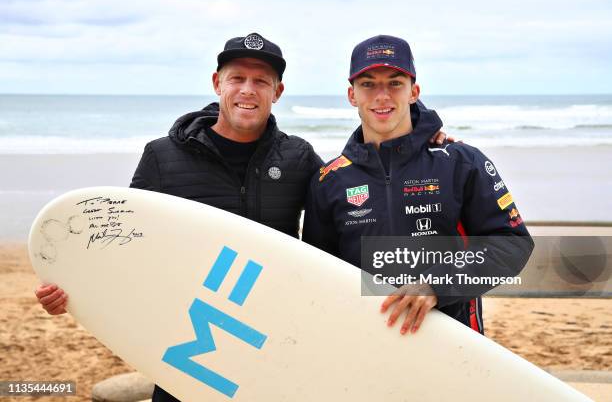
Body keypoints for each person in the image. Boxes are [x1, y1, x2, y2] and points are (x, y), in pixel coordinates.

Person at [34, 33, 451, 401]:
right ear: (218, 83)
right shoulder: (162, 156)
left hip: (266, 341)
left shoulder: (298, 157)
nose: (248, 90)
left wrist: (419, 138)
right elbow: (121, 243)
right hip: (184, 342)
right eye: (237, 78)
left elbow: (353, 194)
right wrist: (77, 287)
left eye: (261, 81)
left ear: (278, 91)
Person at [303, 34, 534, 336]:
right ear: (352, 95)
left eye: (395, 83)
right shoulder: (330, 180)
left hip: (452, 342)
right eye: (368, 84)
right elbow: (317, 273)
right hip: (364, 344)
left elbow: (512, 244)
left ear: (414, 92)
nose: (382, 95)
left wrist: (436, 285)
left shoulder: (459, 161)